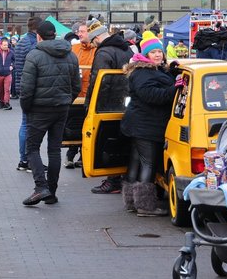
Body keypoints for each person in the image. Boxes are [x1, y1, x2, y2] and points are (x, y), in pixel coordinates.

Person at [120, 32, 181, 216]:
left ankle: (132, 201)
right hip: (145, 126)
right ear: (145, 55)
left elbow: (159, 81)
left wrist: (173, 72)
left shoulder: (150, 70)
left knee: (136, 161)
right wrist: (175, 88)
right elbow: (152, 96)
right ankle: (145, 206)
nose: (157, 55)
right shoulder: (142, 73)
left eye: (159, 52)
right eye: (153, 52)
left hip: (141, 124)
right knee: (148, 163)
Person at [20, 20, 80, 206]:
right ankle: (51, 192)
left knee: (32, 148)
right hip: (61, 108)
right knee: (54, 150)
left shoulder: (34, 55)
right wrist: (66, 101)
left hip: (39, 109)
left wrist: (26, 107)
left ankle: (41, 187)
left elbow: (26, 88)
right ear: (55, 34)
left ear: (38, 36)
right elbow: (76, 86)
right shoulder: (71, 55)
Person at [84, 19, 133, 194]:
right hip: (126, 101)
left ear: (96, 37)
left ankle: (113, 181)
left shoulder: (103, 53)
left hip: (108, 103)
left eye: (92, 40)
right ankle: (120, 177)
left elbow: (98, 82)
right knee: (122, 139)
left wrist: (90, 104)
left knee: (108, 141)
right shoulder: (126, 48)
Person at [65, 21, 96, 168]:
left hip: (90, 96)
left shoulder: (97, 50)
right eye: (79, 31)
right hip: (76, 95)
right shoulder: (74, 48)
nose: (79, 34)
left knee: (86, 127)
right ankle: (70, 155)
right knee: (74, 125)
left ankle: (83, 157)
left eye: (82, 31)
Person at [13, 16, 42, 172]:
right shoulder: (34, 44)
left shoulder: (21, 42)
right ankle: (29, 160)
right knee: (30, 126)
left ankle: (24, 160)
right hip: (32, 88)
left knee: (25, 124)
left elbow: (19, 68)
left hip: (23, 87)